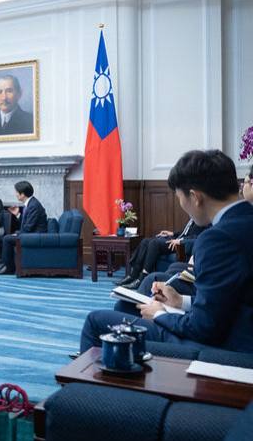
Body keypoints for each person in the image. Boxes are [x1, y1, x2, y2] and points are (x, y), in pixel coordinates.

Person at [80, 149, 253, 353]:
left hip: (228, 350)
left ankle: (87, 382)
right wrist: (181, 301)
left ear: (195, 197)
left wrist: (161, 315)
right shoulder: (244, 221)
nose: (181, 204)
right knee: (126, 308)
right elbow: (230, 299)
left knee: (95, 321)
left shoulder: (217, 238)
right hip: (234, 326)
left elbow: (204, 328)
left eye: (179, 197)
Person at [116, 218, 207, 289]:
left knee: (154, 243)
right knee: (145, 241)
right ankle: (133, 275)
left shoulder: (204, 220)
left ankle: (142, 278)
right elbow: (185, 232)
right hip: (176, 239)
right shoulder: (194, 218)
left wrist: (181, 240)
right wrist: (172, 233)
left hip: (181, 244)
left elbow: (198, 237)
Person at [0, 181, 48, 275]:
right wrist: (18, 214)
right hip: (32, 233)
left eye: (16, 192)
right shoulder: (31, 203)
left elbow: (28, 227)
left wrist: (18, 234)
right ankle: (7, 265)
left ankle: (9, 268)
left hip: (36, 236)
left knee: (7, 239)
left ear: (22, 194)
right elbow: (27, 224)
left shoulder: (33, 206)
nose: (15, 194)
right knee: (9, 236)